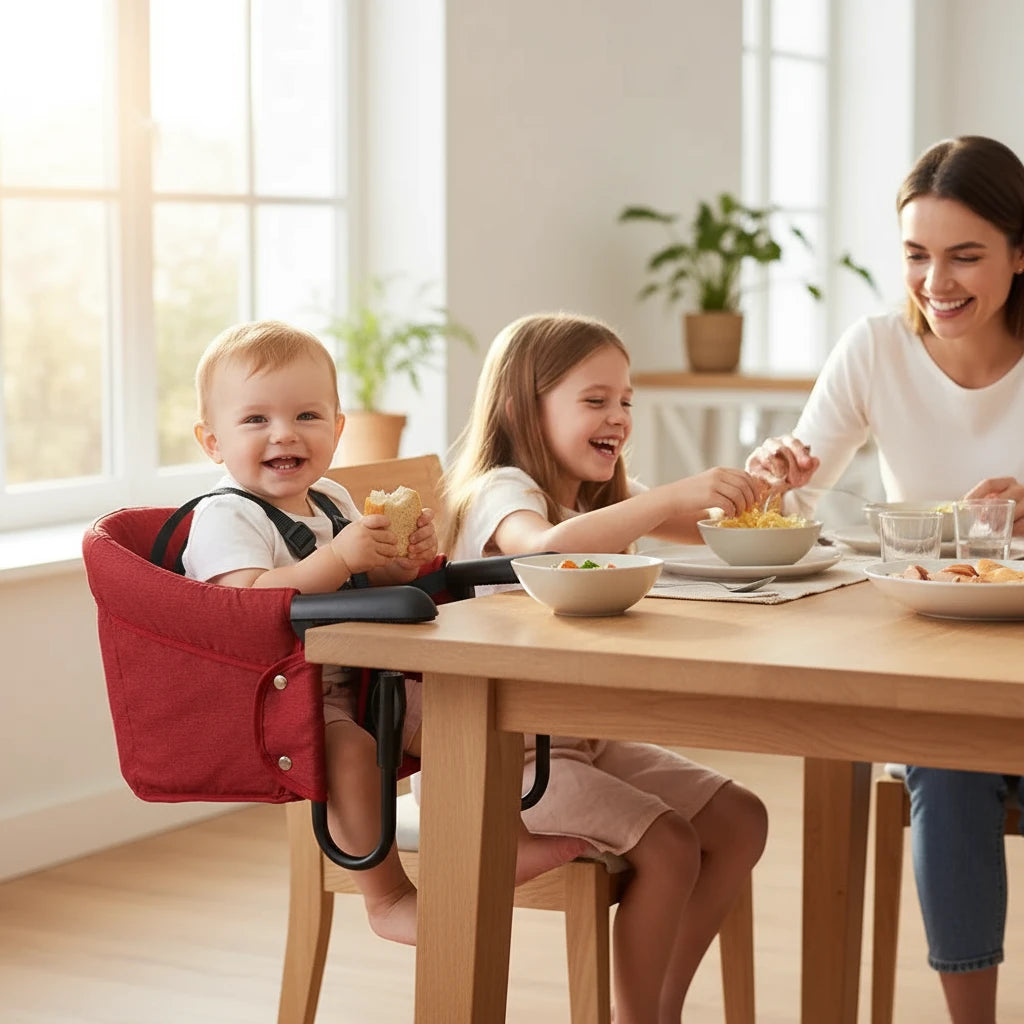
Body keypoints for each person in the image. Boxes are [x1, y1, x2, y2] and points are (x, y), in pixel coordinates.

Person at [181, 319, 586, 947]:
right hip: (286, 695)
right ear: (212, 441)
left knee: (462, 708)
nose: (284, 433)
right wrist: (340, 559)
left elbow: (364, 578)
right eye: (255, 420)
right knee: (347, 752)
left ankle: (504, 838)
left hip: (364, 673)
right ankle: (388, 897)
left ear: (337, 429)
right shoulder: (224, 514)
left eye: (307, 415)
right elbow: (245, 602)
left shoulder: (333, 499)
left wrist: (397, 561)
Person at [746, 135, 1024, 1024]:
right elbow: (793, 491)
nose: (935, 281)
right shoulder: (874, 349)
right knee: (944, 764)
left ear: (1022, 253)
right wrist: (776, 467)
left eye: (965, 255)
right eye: (916, 255)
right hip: (937, 655)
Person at [440, 311, 768, 1023]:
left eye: (626, 402)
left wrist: (761, 487)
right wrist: (663, 498)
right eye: (595, 401)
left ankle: (660, 1008)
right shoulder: (502, 491)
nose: (617, 418)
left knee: (740, 820)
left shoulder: (592, 497)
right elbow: (544, 552)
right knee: (672, 844)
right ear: (520, 406)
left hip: (580, 741)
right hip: (507, 762)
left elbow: (708, 527)